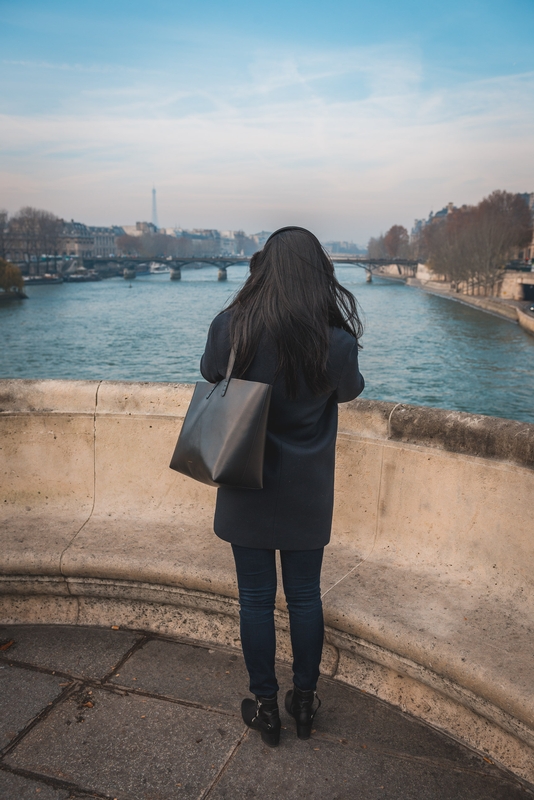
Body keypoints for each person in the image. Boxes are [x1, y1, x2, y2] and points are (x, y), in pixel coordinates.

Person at [200, 226, 364, 747]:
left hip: (244, 482)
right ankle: (305, 703)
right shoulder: (335, 341)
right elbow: (349, 392)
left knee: (254, 599)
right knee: (304, 598)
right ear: (320, 274)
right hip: (305, 491)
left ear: (263, 269)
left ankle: (265, 707)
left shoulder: (232, 327)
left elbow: (209, 374)